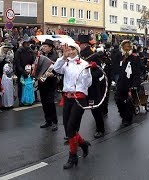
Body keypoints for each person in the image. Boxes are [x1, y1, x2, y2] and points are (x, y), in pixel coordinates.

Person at [53, 41, 94, 169]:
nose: (70, 51)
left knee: (71, 128)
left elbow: (88, 84)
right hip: (67, 98)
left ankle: (73, 156)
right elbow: (56, 69)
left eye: (72, 49)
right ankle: (83, 144)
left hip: (79, 99)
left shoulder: (84, 64)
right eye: (68, 49)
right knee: (68, 128)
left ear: (77, 51)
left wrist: (87, 72)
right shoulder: (66, 63)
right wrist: (63, 57)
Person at [78, 34, 106, 138]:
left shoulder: (93, 56)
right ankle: (73, 132)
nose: (79, 46)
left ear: (84, 45)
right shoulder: (79, 56)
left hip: (92, 87)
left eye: (80, 44)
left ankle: (100, 129)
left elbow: (99, 72)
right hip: (82, 87)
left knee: (95, 109)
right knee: (78, 109)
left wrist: (87, 76)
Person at [115, 40, 142, 127]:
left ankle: (127, 119)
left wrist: (135, 85)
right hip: (121, 83)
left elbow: (137, 73)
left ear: (131, 47)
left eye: (128, 46)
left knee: (128, 103)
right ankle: (123, 116)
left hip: (130, 84)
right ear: (122, 48)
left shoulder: (135, 58)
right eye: (124, 46)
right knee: (118, 101)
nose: (126, 48)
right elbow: (117, 70)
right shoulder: (120, 57)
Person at [37, 39, 59, 131]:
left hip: (50, 82)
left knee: (50, 102)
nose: (44, 48)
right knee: (44, 102)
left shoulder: (55, 57)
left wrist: (53, 74)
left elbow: (58, 70)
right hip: (42, 82)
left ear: (51, 47)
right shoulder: (41, 55)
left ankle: (54, 122)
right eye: (43, 46)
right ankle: (48, 121)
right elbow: (37, 66)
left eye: (46, 46)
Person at [14, 34, 35, 106]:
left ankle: (31, 99)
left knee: (30, 85)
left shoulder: (30, 51)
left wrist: (32, 70)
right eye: (26, 43)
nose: (27, 44)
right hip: (21, 71)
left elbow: (34, 61)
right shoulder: (19, 51)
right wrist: (23, 72)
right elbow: (17, 63)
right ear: (23, 43)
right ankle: (21, 100)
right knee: (21, 86)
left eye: (28, 43)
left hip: (30, 71)